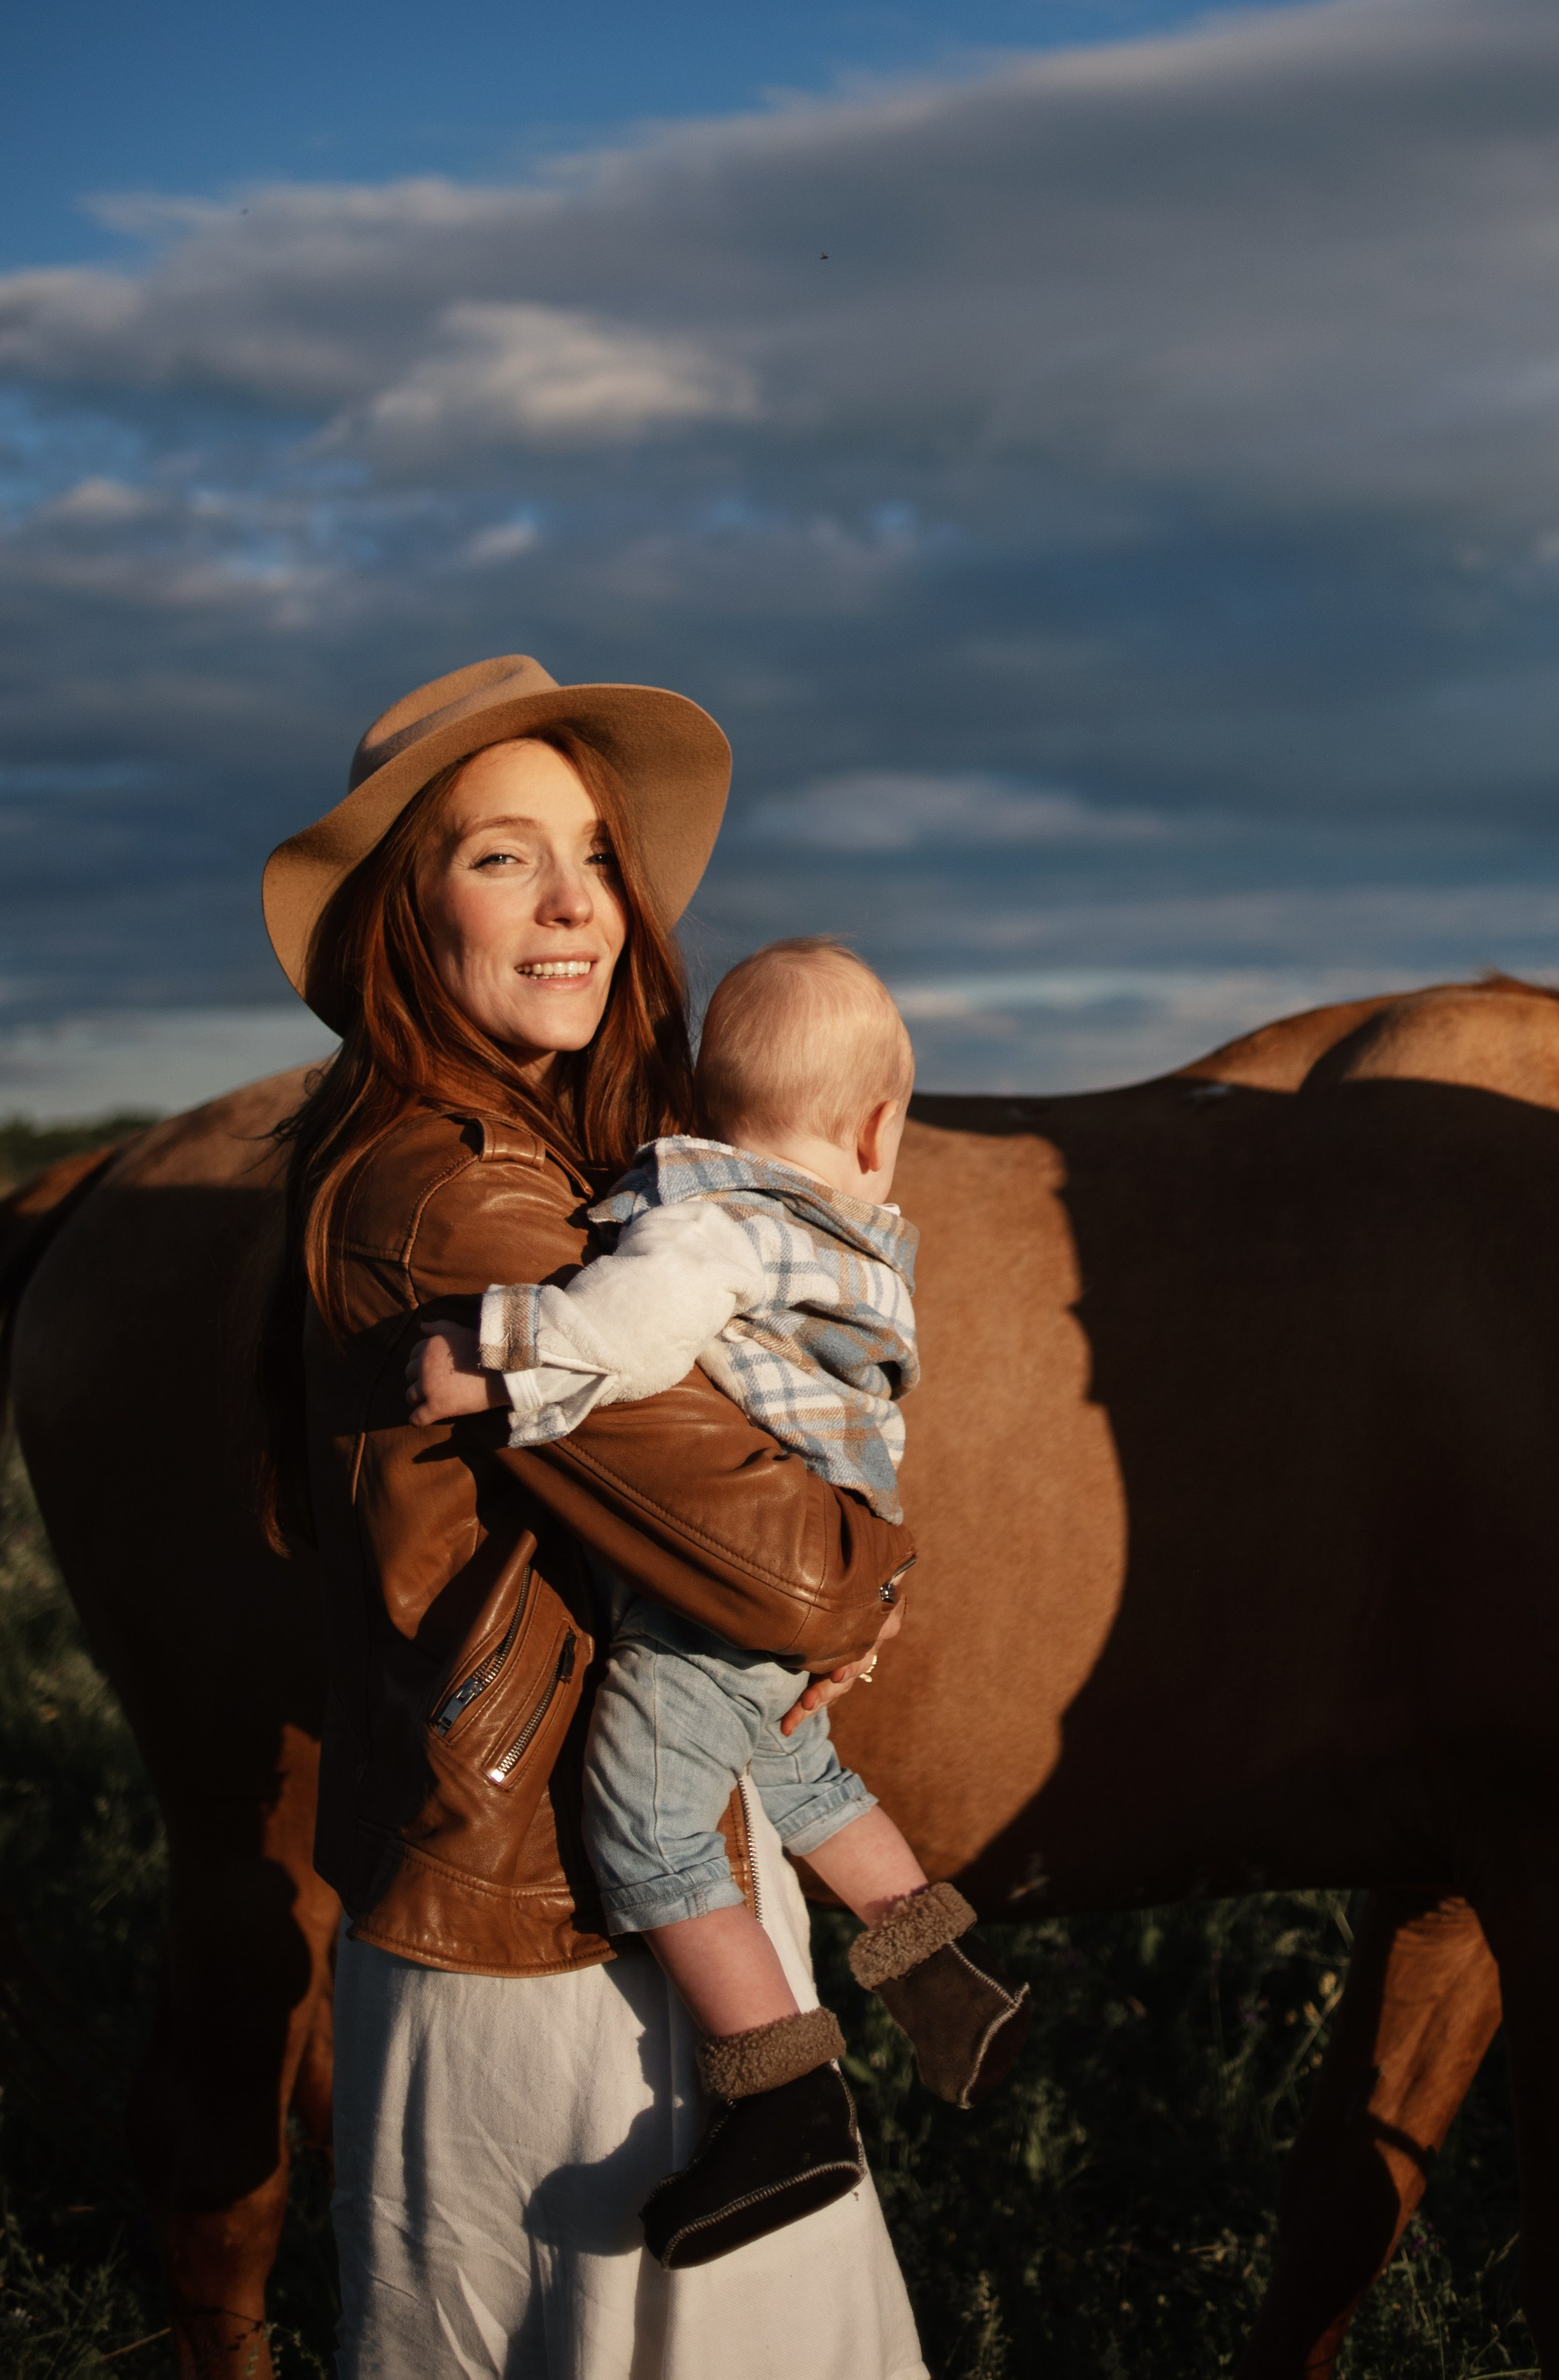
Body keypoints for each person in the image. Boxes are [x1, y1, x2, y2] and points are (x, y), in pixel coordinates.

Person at [259, 653, 931, 2379]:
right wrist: (868, 1590)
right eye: (504, 858)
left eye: (596, 856)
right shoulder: (457, 1203)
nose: (577, 906)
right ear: (408, 915)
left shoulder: (561, 1168)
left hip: (617, 1868)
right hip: (550, 1930)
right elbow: (789, 1580)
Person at [406, 938, 1031, 2267]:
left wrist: (496, 1361)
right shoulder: (854, 1248)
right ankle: (939, 1973)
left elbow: (629, 1334)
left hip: (719, 1597)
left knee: (642, 1814)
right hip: (825, 1564)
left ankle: (782, 2096)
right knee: (797, 1770)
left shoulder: (716, 1225)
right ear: (878, 1130)